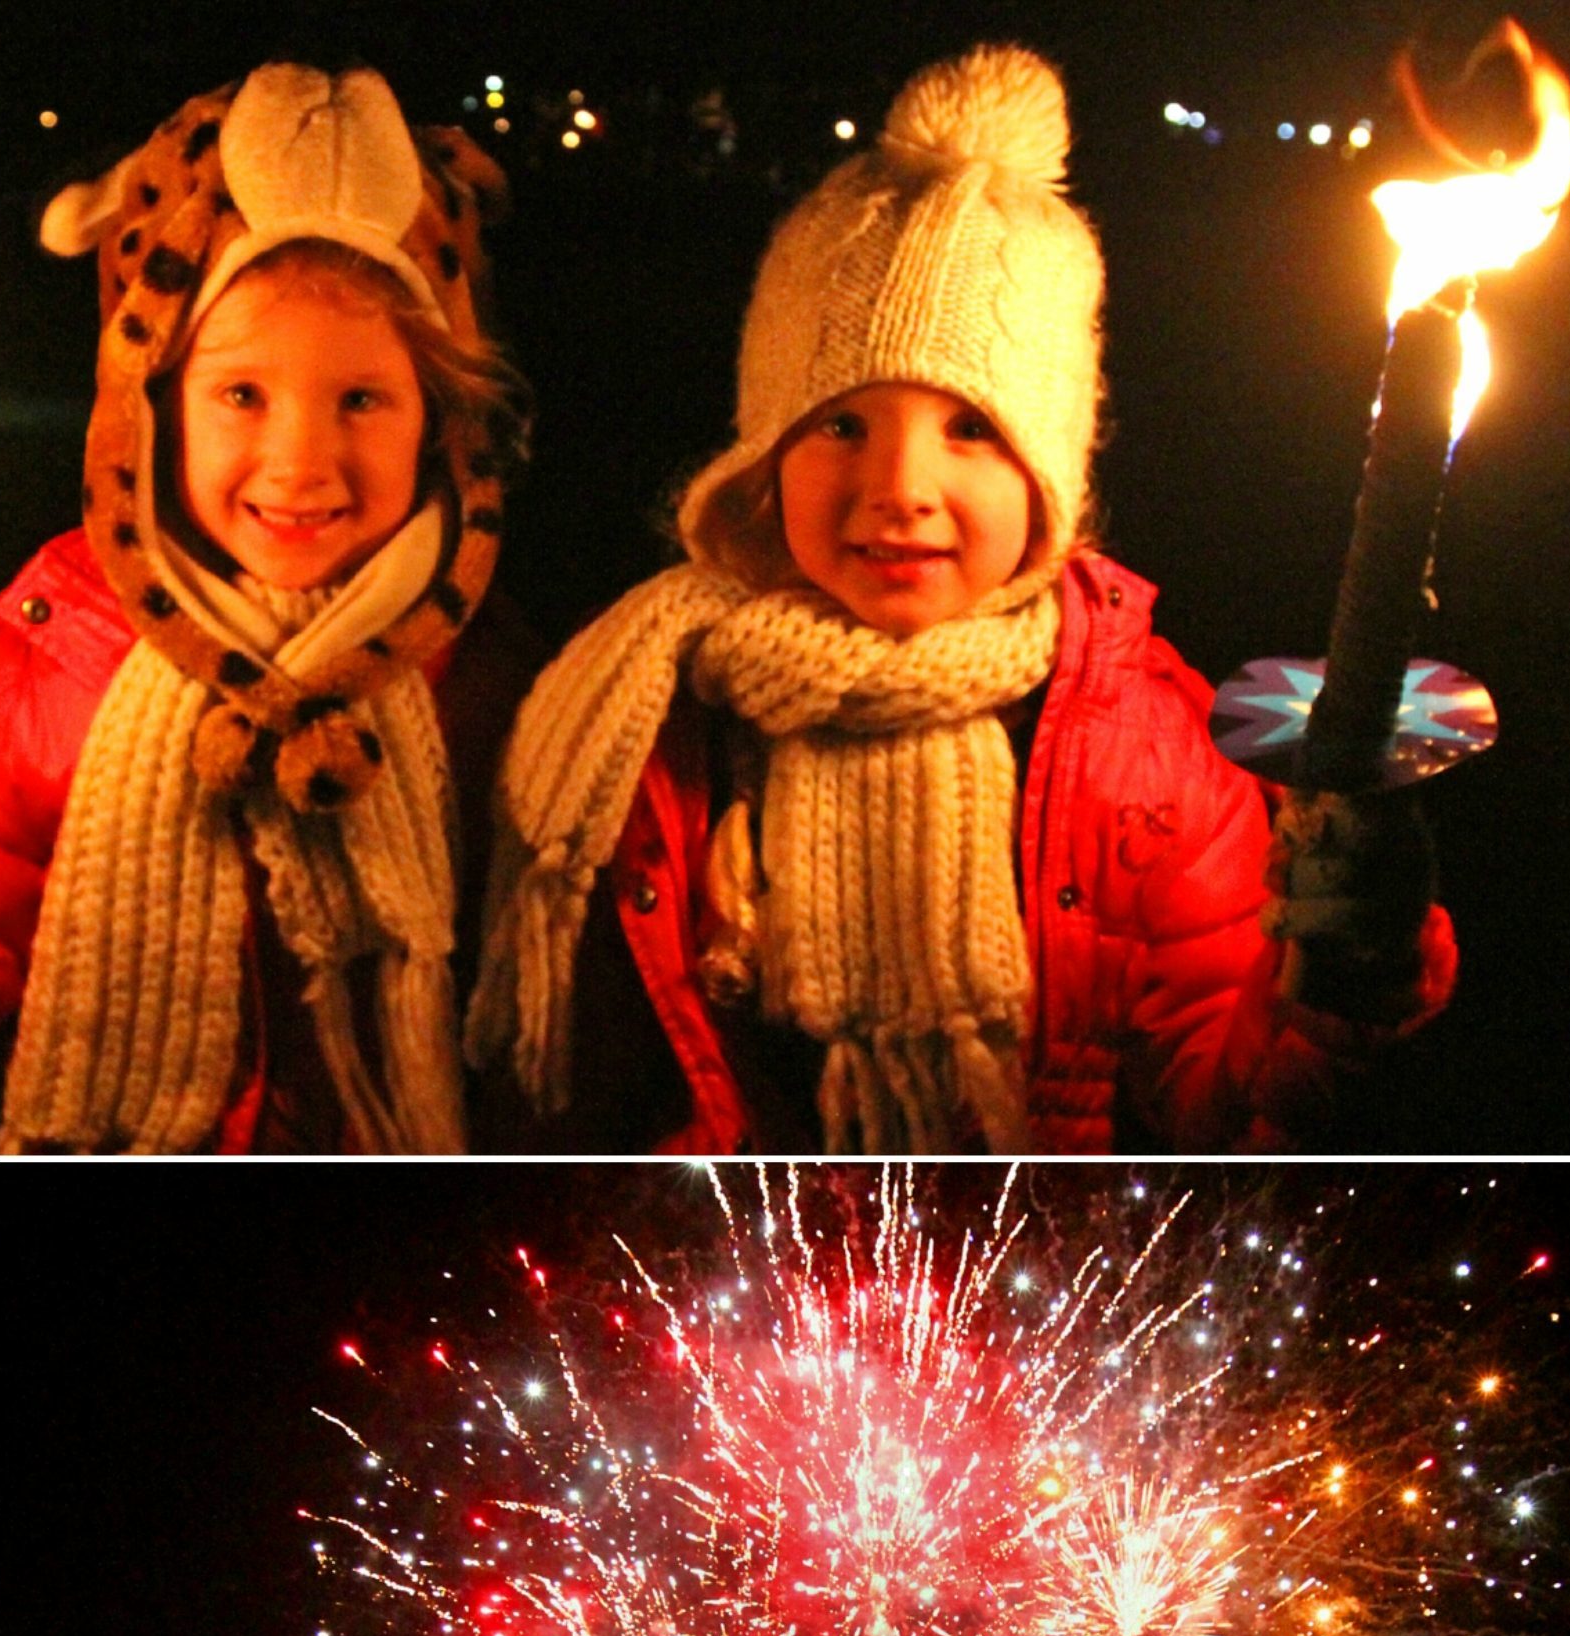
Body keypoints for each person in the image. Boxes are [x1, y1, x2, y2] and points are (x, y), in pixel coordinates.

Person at [468, 45, 1452, 1153]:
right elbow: (593, 1088)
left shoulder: (1145, 751)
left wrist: (1337, 979)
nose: (898, 490)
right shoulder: (649, 720)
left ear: (1046, 481)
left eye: (969, 430)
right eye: (840, 424)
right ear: (763, 460)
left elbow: (1219, 1111)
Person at [0, 64, 542, 1151]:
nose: (298, 462)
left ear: (440, 421)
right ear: (149, 397)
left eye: (360, 399)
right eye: (241, 393)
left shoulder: (493, 678)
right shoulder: (53, 662)